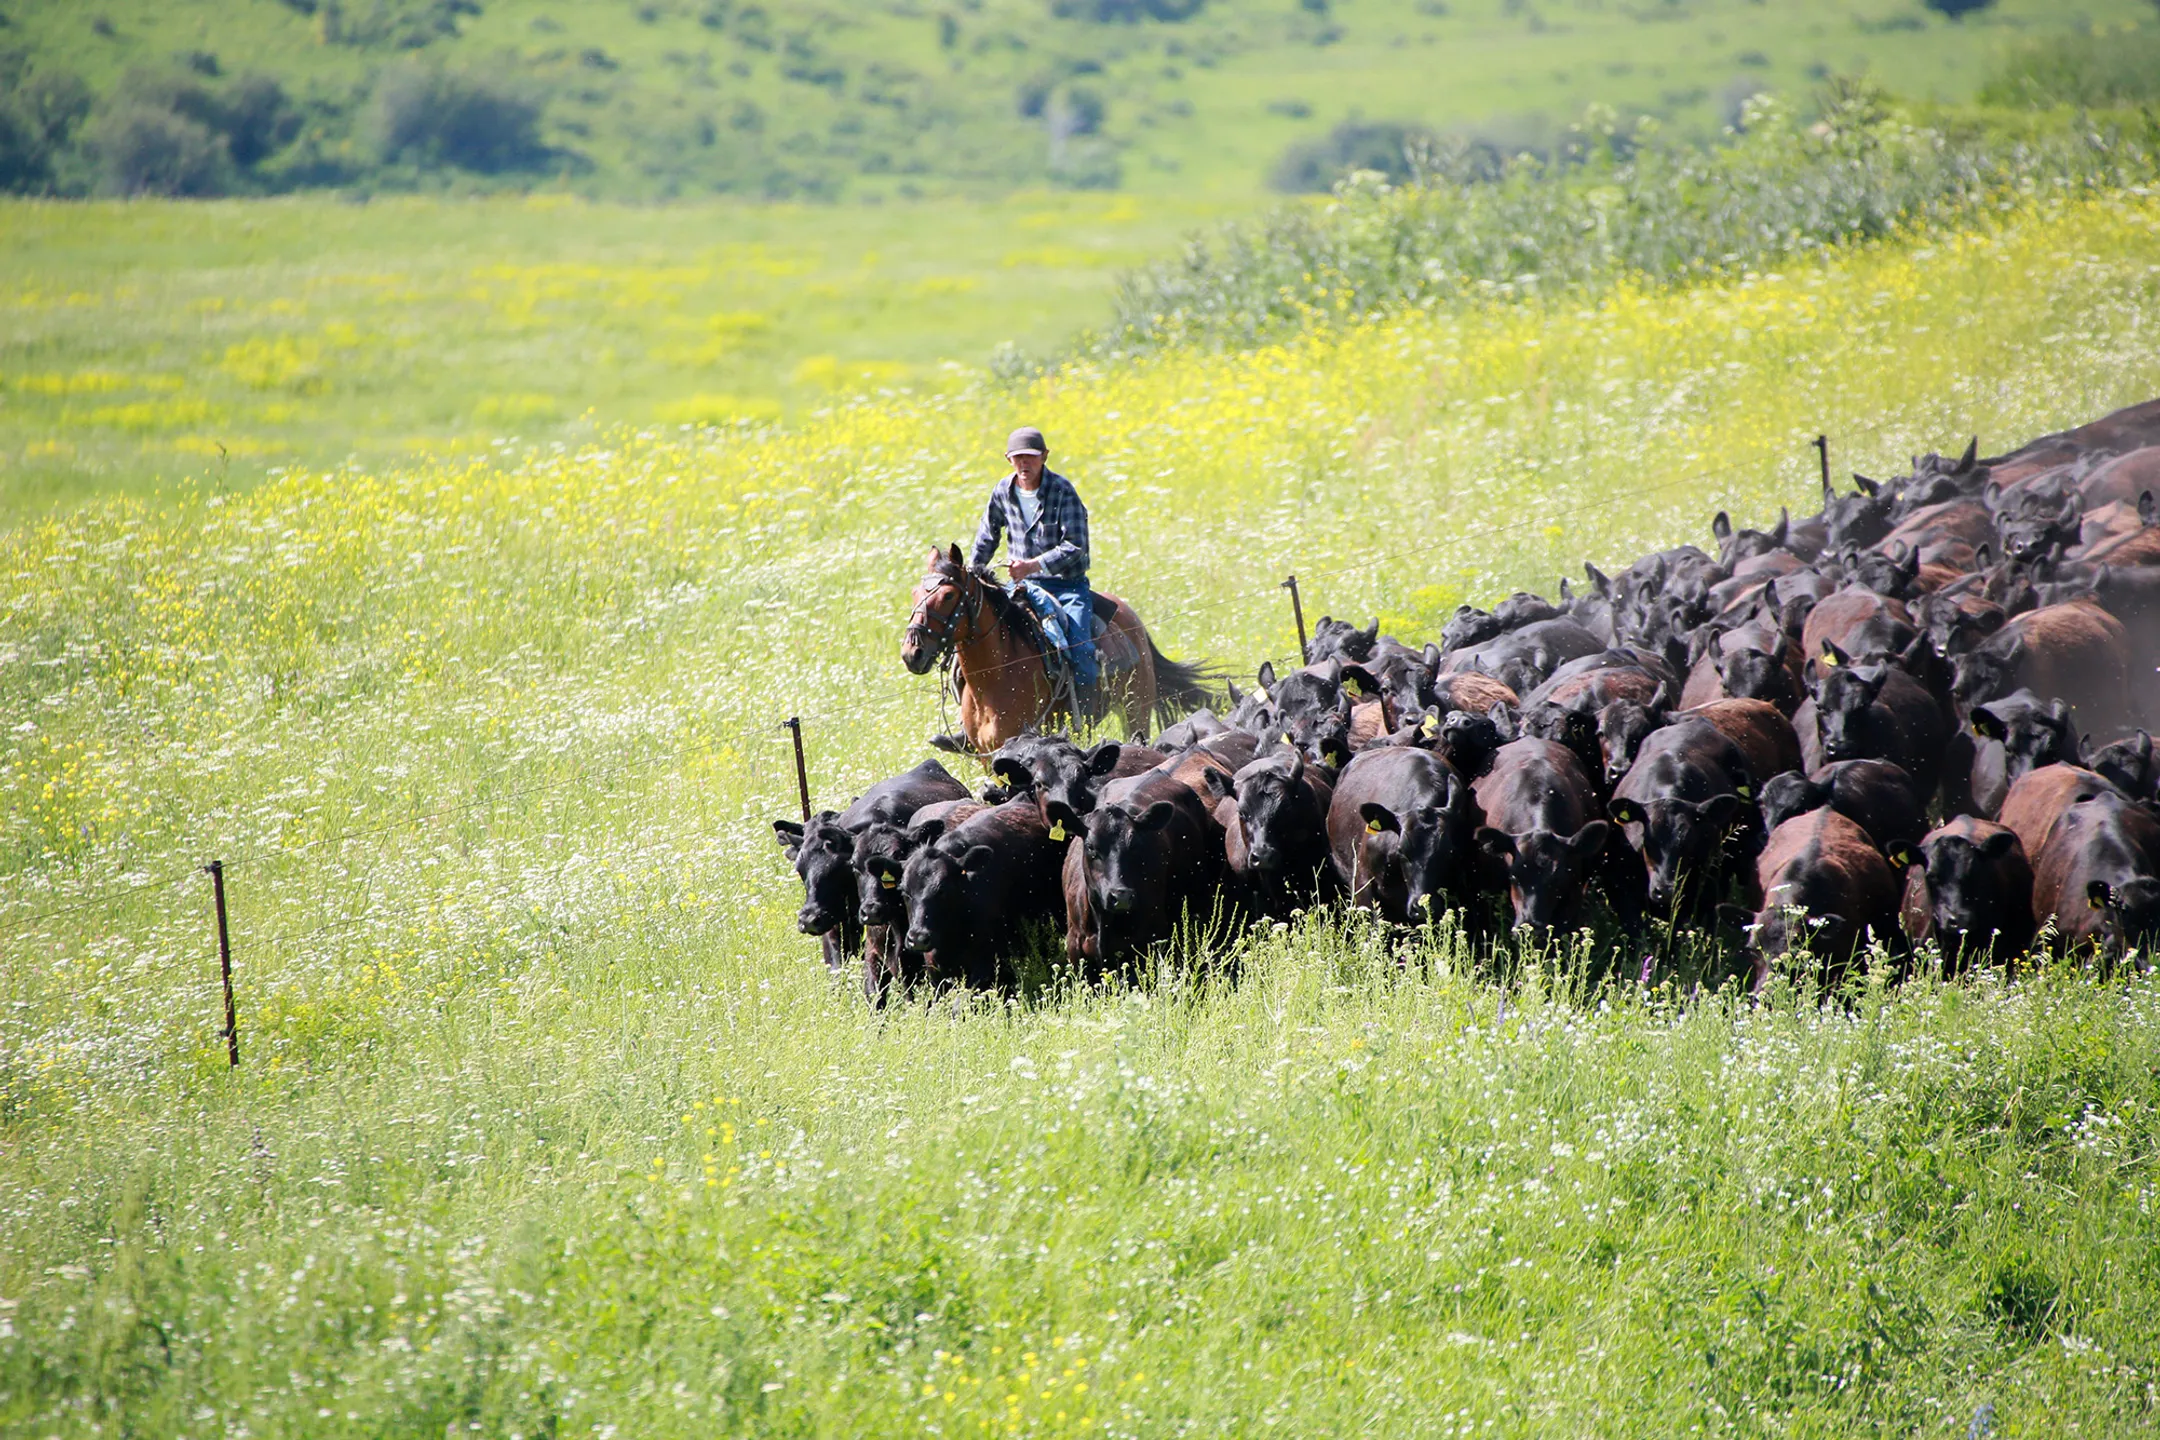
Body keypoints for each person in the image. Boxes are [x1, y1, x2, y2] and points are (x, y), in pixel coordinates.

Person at [969, 425, 1099, 716]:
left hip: (1066, 586)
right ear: (1008, 459)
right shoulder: (1002, 491)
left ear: (1044, 457)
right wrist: (972, 574)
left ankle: (1086, 717)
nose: (1024, 464)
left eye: (1030, 457)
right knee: (975, 640)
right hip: (1018, 588)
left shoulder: (1063, 491)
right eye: (1018, 458)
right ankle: (971, 723)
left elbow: (1076, 545)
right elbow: (987, 537)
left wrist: (1033, 565)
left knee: (1081, 652)